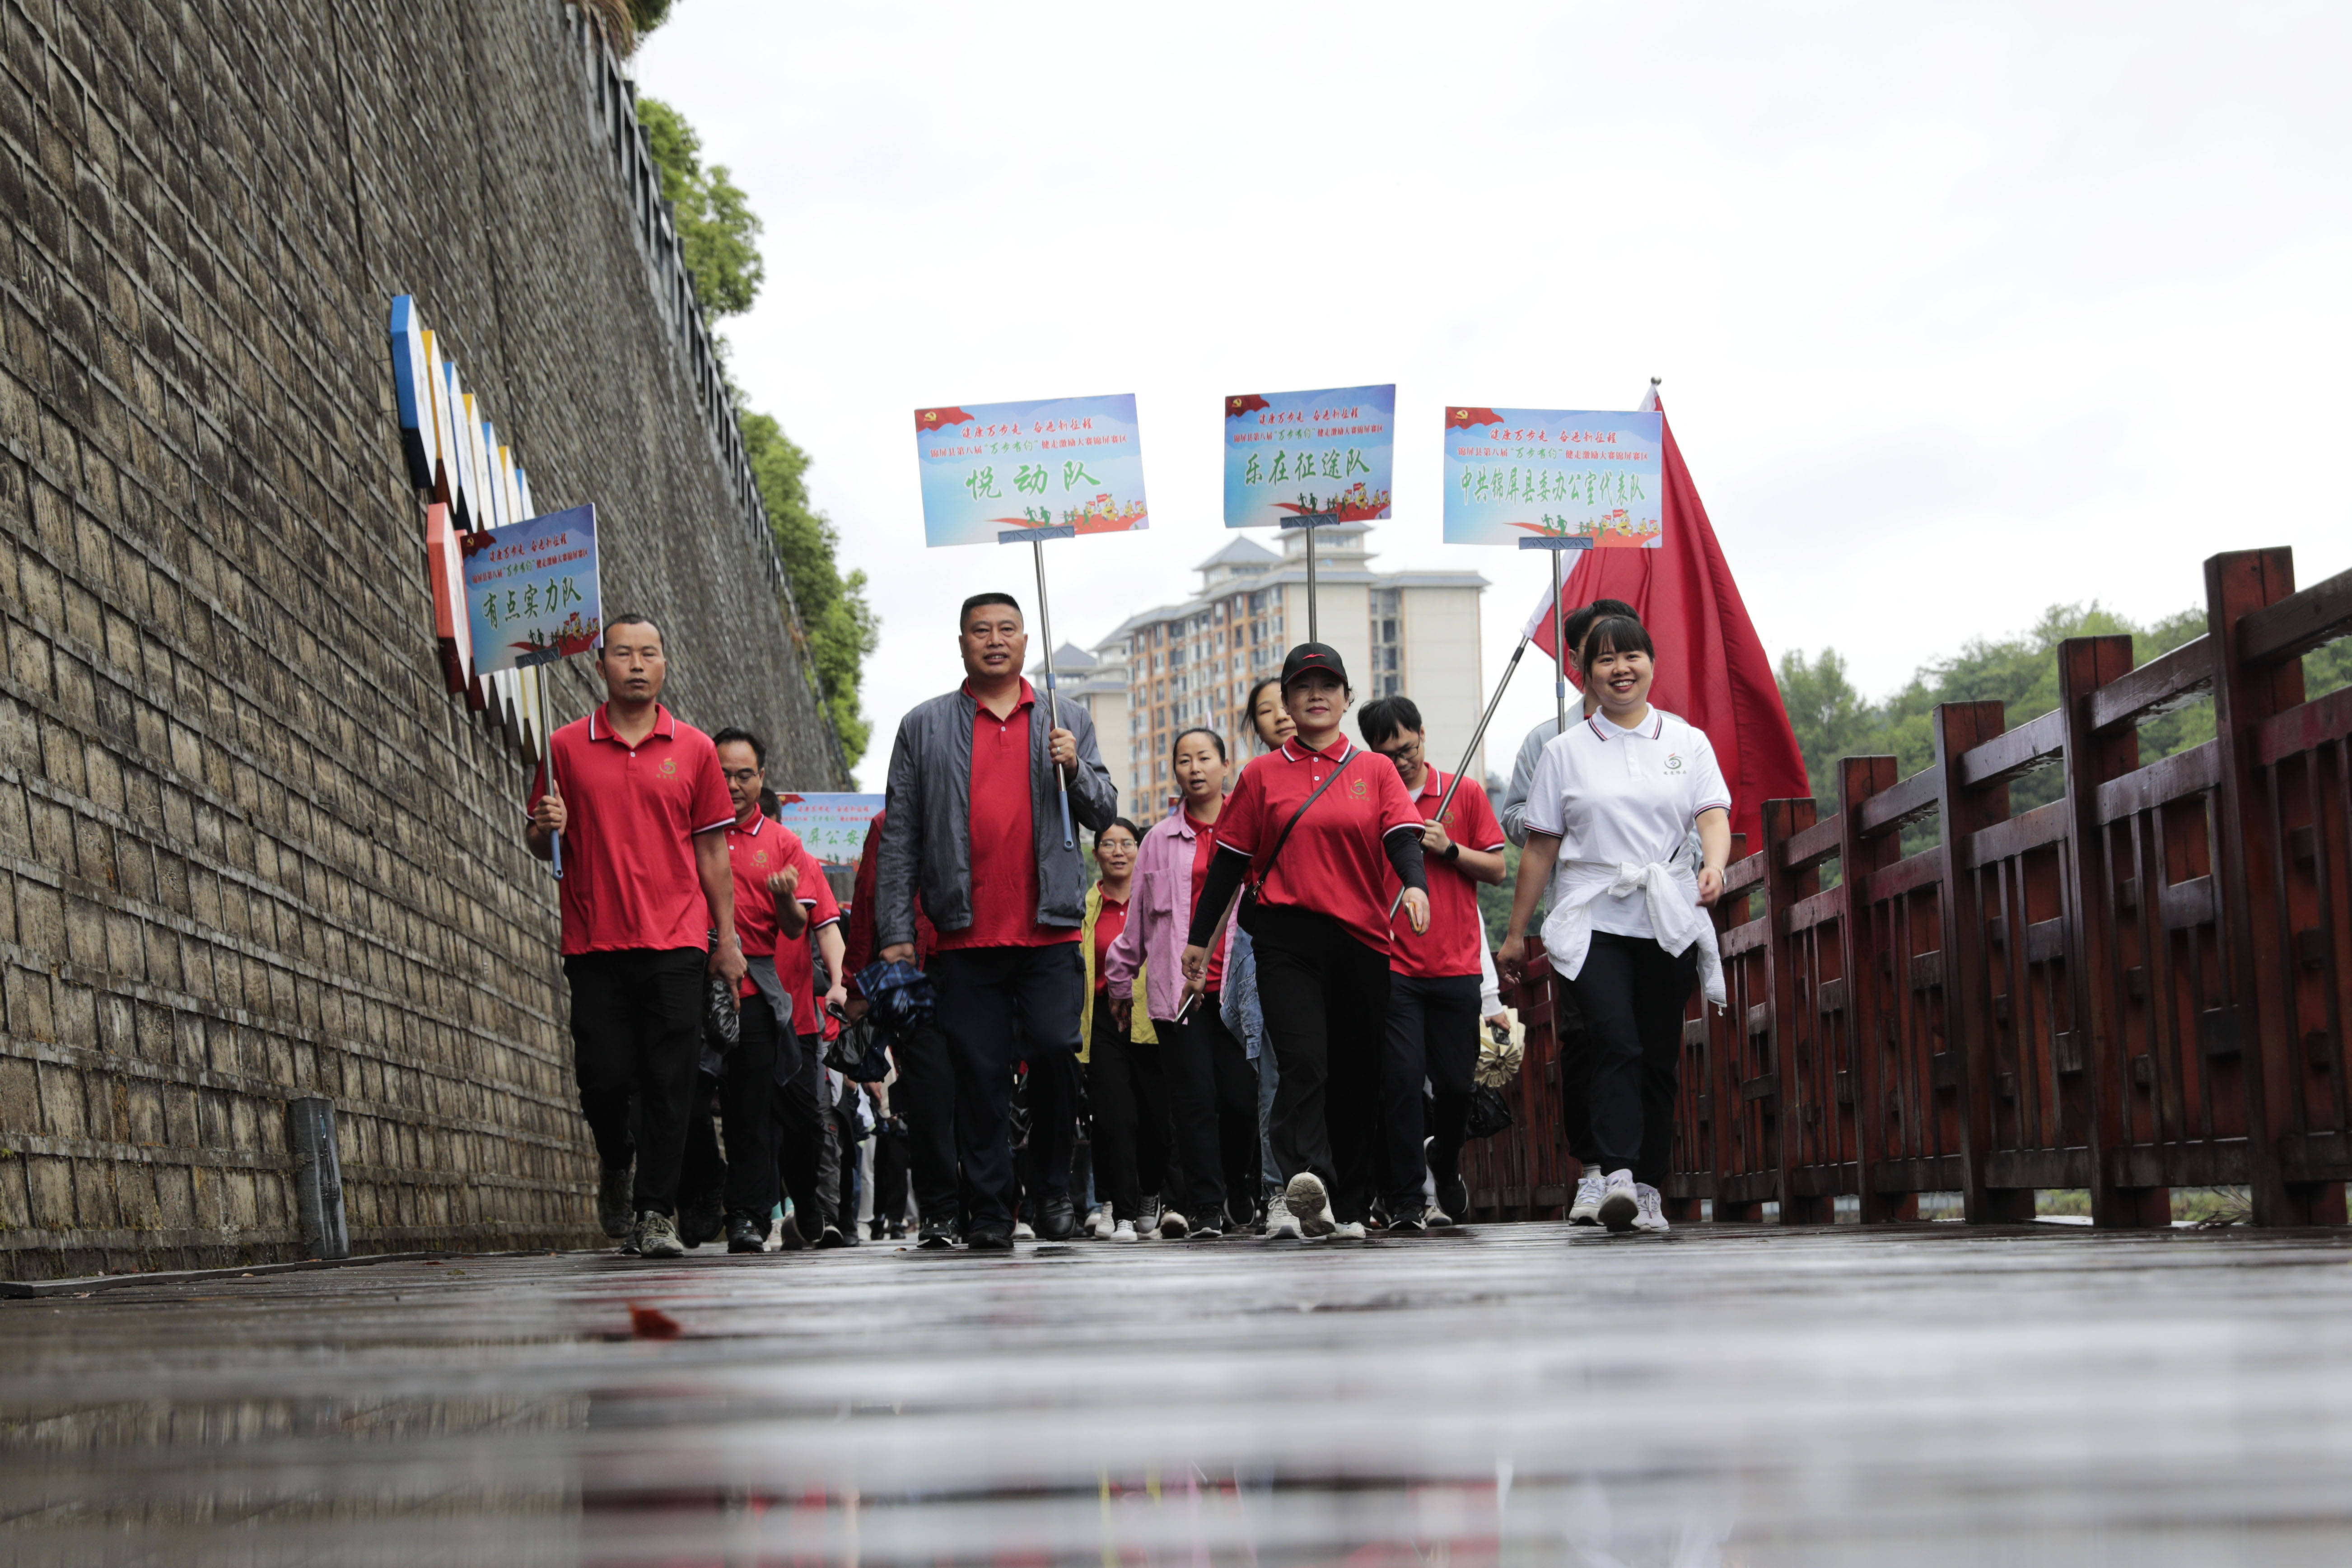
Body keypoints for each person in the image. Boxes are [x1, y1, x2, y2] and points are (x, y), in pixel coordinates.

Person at [875, 593, 1119, 1251]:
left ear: (1025, 639)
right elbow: (900, 836)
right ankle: (989, 1206)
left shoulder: (1066, 719)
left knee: (1054, 1053)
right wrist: (896, 932)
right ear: (961, 643)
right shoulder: (922, 726)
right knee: (977, 1074)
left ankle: (1052, 1191)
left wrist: (1075, 769)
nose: (994, 640)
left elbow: (1105, 812)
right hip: (963, 933)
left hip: (1050, 929)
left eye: (1006, 629)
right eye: (980, 630)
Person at [1183, 644, 1429, 1242]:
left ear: (1346, 699)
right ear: (1289, 703)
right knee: (1303, 1063)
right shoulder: (1262, 776)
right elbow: (1228, 863)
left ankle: (1348, 1205)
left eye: (1329, 686)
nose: (1316, 696)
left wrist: (1415, 886)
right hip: (1286, 937)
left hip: (1362, 938)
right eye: (1303, 687)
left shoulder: (1373, 771)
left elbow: (1402, 837)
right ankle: (1305, 1182)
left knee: (1356, 1073)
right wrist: (1199, 941)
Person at [1499, 615, 1731, 1235]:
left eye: (1631, 656)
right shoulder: (1563, 751)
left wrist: (1715, 865)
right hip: (1592, 911)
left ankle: (1650, 1186)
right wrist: (1518, 931)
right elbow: (1540, 849)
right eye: (1605, 660)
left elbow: (1712, 815)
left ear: (1651, 664)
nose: (1620, 669)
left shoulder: (1687, 742)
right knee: (1614, 1041)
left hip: (1665, 912)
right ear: (1586, 672)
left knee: (1657, 1054)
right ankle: (1617, 1173)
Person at [525, 615, 744, 1259]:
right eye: (623, 654)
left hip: (676, 941)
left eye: (649, 653)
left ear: (665, 665)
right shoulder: (564, 747)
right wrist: (545, 824)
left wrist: (724, 938)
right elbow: (540, 843)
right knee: (602, 1077)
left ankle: (655, 1211)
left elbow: (712, 852)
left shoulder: (697, 749)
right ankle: (616, 1159)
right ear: (602, 666)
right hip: (594, 940)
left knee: (668, 1082)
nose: (638, 664)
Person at [1498, 597, 1638, 1225]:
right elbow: (1516, 818)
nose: (1611, 661)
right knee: (1585, 1038)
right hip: (1579, 914)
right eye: (1596, 649)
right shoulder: (1547, 738)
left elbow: (1689, 818)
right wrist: (1563, 821)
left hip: (1646, 913)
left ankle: (1639, 1172)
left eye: (1625, 649)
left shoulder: (1663, 734)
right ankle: (1593, 1170)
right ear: (1578, 659)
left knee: (1640, 1041)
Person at [1356, 696, 1508, 1232]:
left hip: (1456, 964)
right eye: (1387, 753)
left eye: (1408, 747)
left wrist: (1449, 849)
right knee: (1398, 1083)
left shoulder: (1462, 791)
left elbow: (1497, 868)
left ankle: (1444, 1157)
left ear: (1423, 734)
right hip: (1394, 966)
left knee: (1456, 1088)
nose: (1401, 761)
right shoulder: (1367, 800)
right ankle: (1405, 1199)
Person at [1108, 730, 1259, 1240]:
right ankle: (1207, 1207)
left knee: (1240, 1101)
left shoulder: (1252, 829)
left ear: (1225, 764)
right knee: (1193, 1103)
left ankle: (1239, 1183)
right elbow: (1139, 924)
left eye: (1204, 758)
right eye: (1184, 760)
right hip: (1179, 993)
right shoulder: (1157, 841)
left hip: (1241, 991)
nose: (1194, 768)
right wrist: (1120, 980)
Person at [705, 728, 816, 1254]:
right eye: (723, 773)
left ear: (762, 778)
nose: (732, 784)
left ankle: (747, 1215)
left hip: (754, 986)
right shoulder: (692, 828)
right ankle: (698, 1190)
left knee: (750, 1109)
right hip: (693, 978)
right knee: (676, 1093)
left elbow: (796, 929)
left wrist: (786, 897)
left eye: (744, 775)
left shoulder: (782, 843)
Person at [842, 810, 958, 1247]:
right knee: (928, 1092)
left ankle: (986, 1204)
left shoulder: (989, 800)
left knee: (981, 1086)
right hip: (912, 973)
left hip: (980, 967)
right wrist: (855, 983)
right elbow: (869, 897)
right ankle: (941, 1211)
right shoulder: (888, 822)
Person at [1082, 819, 1161, 1243]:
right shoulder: (1085, 906)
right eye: (1108, 844)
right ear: (1095, 855)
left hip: (1153, 1014)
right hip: (1101, 1018)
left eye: (1127, 844)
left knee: (1153, 1115)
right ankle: (1122, 1209)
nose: (1118, 851)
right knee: (1114, 1115)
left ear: (1139, 850)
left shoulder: (1153, 899)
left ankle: (1151, 1193)